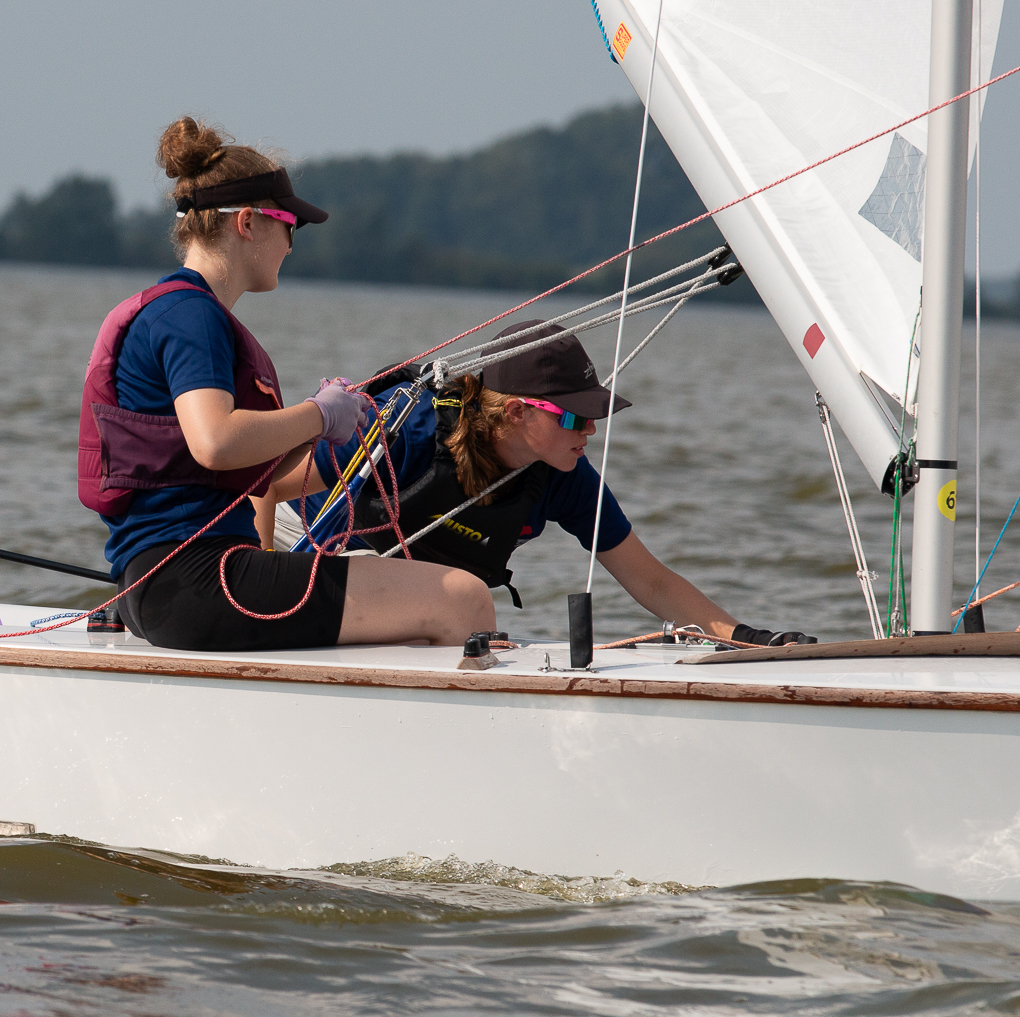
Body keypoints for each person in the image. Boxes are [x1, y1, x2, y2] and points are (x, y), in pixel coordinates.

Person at [78, 116, 495, 652]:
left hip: (171, 584)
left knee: (417, 596)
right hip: (196, 581)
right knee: (463, 598)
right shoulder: (189, 316)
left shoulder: (183, 312)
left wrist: (328, 426)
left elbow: (237, 466)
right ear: (247, 223)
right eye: (289, 225)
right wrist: (318, 414)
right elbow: (215, 443)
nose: (292, 245)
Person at [264, 321, 817, 648]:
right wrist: (256, 589)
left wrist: (747, 640)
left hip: (404, 588)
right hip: (296, 545)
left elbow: (650, 580)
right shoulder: (410, 429)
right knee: (466, 607)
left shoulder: (563, 476)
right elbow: (262, 487)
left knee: (468, 618)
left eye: (594, 414)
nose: (591, 430)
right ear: (516, 413)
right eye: (575, 417)